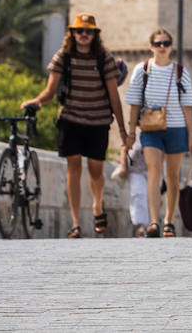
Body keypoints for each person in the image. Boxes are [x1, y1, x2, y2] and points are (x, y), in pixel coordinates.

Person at [22, 13, 131, 238]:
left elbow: (114, 97)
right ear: (72, 33)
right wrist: (37, 101)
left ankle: (97, 205)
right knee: (73, 169)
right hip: (70, 120)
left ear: (95, 35)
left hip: (98, 122)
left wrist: (122, 129)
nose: (84, 35)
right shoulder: (63, 57)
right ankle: (76, 223)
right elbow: (50, 91)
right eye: (80, 31)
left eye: (88, 31)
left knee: (95, 172)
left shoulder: (105, 59)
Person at [124, 28, 192, 237]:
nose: (162, 47)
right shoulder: (142, 70)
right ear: (151, 47)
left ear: (171, 46)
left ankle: (169, 221)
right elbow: (134, 103)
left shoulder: (181, 73)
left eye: (166, 43)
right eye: (158, 44)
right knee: (154, 172)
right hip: (150, 129)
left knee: (173, 177)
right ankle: (154, 222)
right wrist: (130, 133)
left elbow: (187, 106)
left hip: (176, 129)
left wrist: (191, 136)